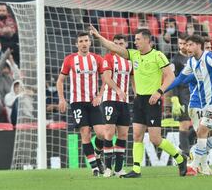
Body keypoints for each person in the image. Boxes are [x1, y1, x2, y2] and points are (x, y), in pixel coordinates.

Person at [90, 25, 187, 178]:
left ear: (147, 40)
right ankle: (136, 170)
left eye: (138, 39)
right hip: (139, 100)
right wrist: (98, 36)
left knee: (155, 139)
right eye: (135, 39)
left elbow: (170, 77)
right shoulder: (133, 55)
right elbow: (112, 46)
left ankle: (180, 158)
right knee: (137, 136)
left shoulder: (158, 55)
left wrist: (159, 92)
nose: (135, 42)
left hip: (153, 100)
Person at [168, 34, 212, 176]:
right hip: (199, 104)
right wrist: (164, 91)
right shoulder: (192, 63)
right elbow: (182, 79)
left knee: (208, 132)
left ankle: (196, 166)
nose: (209, 50)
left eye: (210, 47)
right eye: (207, 47)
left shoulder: (208, 60)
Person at [56, 32, 106, 176]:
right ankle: (95, 168)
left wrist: (100, 95)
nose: (84, 43)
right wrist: (61, 99)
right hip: (77, 103)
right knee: (85, 133)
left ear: (90, 43)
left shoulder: (97, 59)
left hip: (93, 102)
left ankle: (98, 155)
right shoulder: (70, 59)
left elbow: (105, 79)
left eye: (86, 40)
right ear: (76, 44)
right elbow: (60, 80)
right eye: (81, 41)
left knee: (101, 134)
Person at [100, 34, 133, 177]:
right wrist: (118, 90)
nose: (118, 45)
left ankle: (119, 169)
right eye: (116, 43)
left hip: (124, 101)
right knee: (109, 132)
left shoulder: (129, 60)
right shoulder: (108, 58)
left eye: (121, 42)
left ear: (125, 44)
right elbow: (106, 78)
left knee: (123, 134)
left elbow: (133, 79)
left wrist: (137, 95)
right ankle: (107, 168)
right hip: (110, 99)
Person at [170, 33, 192, 158]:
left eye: (185, 43)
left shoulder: (193, 58)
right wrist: (175, 99)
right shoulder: (176, 60)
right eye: (180, 44)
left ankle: (182, 145)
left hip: (195, 94)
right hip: (182, 95)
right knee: (184, 124)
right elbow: (173, 80)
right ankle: (185, 154)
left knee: (202, 124)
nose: (182, 46)